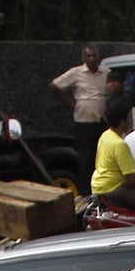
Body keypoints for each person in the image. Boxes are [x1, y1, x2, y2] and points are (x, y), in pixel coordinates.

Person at [51, 45, 111, 175]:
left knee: (102, 157)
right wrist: (71, 103)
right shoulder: (76, 72)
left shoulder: (106, 73)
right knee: (86, 159)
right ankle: (86, 190)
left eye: (94, 56)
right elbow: (54, 85)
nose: (91, 58)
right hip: (83, 121)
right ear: (84, 58)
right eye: (88, 56)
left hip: (101, 121)